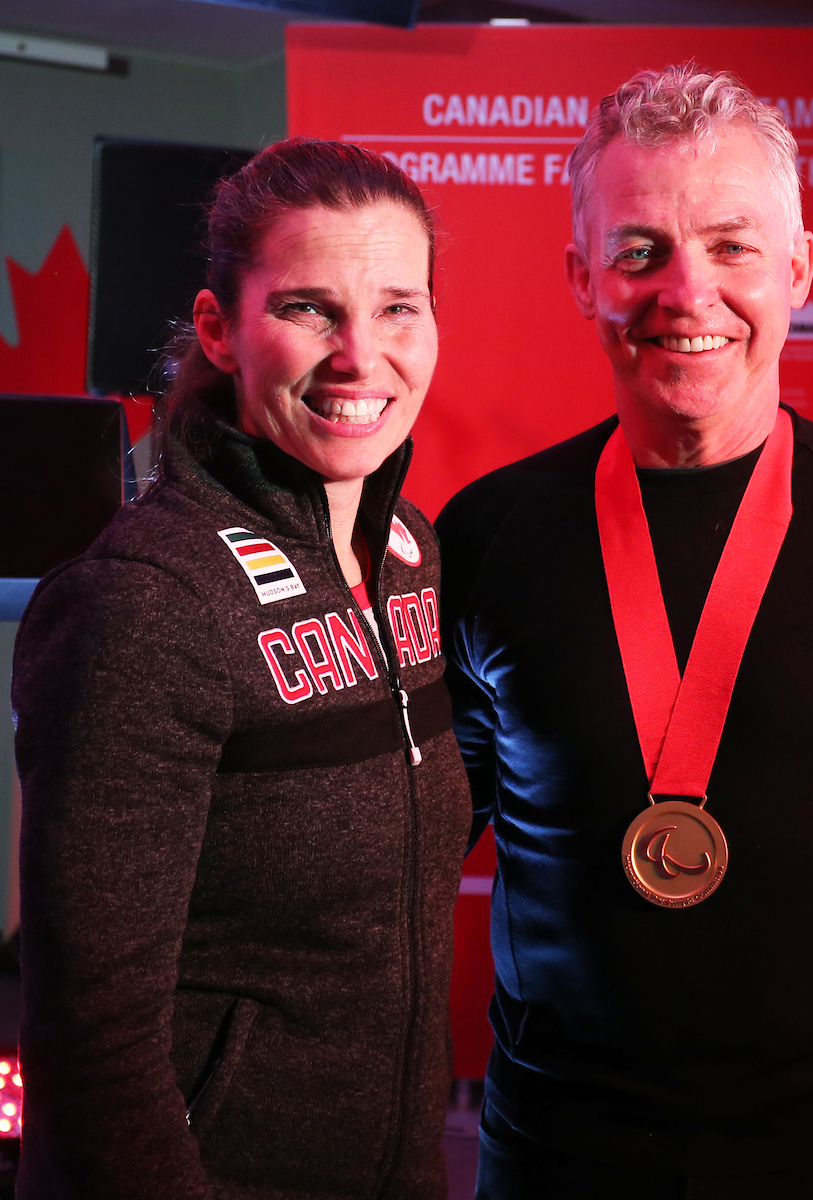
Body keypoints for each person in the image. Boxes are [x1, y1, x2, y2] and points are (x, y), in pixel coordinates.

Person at [436, 65, 813, 1200]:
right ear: (581, 277)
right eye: (638, 250)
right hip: (556, 1142)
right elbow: (417, 820)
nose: (684, 292)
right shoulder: (490, 531)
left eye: (731, 246)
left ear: (798, 269)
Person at [12, 138, 471, 1200]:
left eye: (399, 307)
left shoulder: (410, 554)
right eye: (310, 308)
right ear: (219, 328)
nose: (362, 356)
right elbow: (93, 1035)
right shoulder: (143, 600)